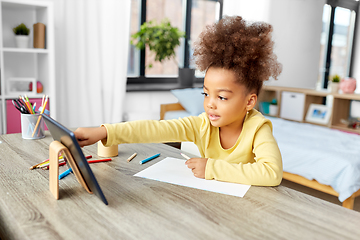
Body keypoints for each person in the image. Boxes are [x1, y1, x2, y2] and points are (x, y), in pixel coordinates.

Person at [74, 16, 283, 186]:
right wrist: (104, 132)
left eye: (221, 97)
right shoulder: (202, 124)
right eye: (206, 94)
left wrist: (211, 168)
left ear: (249, 102)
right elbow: (153, 129)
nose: (210, 103)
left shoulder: (258, 128)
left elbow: (271, 173)